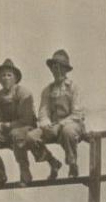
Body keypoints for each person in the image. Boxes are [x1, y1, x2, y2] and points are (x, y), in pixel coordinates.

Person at [0, 59, 61, 188]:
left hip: (26, 128)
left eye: (9, 75)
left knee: (17, 135)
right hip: (7, 132)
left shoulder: (23, 93)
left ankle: (25, 173)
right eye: (3, 75)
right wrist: (2, 128)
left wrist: (7, 126)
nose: (5, 78)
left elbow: (26, 120)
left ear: (15, 78)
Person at [27, 49, 85, 178]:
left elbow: (77, 113)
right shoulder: (47, 90)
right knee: (31, 137)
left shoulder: (73, 87)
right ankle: (52, 162)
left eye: (60, 67)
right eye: (54, 67)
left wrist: (60, 124)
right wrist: (46, 124)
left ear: (65, 69)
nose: (56, 70)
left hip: (72, 124)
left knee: (68, 132)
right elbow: (43, 111)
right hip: (53, 126)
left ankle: (72, 164)